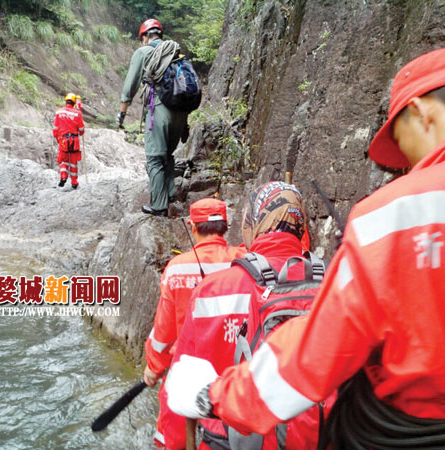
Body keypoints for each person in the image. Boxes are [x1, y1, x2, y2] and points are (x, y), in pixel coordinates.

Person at [165, 48, 445, 448]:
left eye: (401, 140)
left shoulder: (393, 215)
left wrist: (210, 397)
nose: (405, 166)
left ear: (421, 113)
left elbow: (316, 354)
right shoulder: (322, 271)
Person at [166, 182, 326, 449]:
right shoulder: (335, 284)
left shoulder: (211, 290)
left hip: (227, 438)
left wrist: (173, 444)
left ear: (252, 221)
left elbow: (182, 389)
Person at [144, 197, 245, 448]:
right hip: (234, 376)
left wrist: (154, 367)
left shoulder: (177, 268)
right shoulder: (244, 261)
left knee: (174, 437)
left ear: (192, 226)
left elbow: (163, 333)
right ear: (225, 226)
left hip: (187, 372)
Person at [117, 19, 189, 217]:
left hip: (158, 110)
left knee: (155, 158)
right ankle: (170, 194)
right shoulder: (176, 54)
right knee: (167, 154)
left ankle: (158, 206)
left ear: (144, 37)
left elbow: (130, 87)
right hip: (181, 113)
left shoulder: (143, 52)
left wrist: (122, 114)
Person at [52, 93, 85, 189]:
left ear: (66, 101)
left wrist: (57, 137)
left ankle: (63, 176)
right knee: (73, 162)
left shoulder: (59, 112)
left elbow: (55, 128)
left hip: (63, 140)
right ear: (74, 102)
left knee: (63, 160)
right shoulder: (77, 113)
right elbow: (81, 130)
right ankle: (74, 182)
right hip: (74, 141)